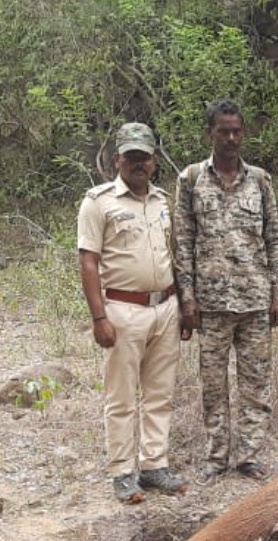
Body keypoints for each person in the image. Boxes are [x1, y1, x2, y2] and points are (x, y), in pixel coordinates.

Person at [173, 100, 278, 483]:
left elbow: (274, 239)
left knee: (255, 384)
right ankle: (216, 457)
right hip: (212, 304)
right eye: (224, 130)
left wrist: (277, 292)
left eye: (237, 130)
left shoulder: (261, 180)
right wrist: (187, 297)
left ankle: (249, 455)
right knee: (214, 386)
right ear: (211, 133)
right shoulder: (190, 180)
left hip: (254, 301)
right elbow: (183, 242)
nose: (231, 137)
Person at [77, 122, 189, 504]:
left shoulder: (161, 200)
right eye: (131, 157)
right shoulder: (99, 201)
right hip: (123, 309)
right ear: (117, 159)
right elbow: (88, 261)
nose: (138, 163)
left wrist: (184, 304)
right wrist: (99, 317)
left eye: (145, 157)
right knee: (121, 397)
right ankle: (123, 472)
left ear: (154, 160)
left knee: (160, 393)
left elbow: (174, 254)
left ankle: (154, 464)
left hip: (166, 307)